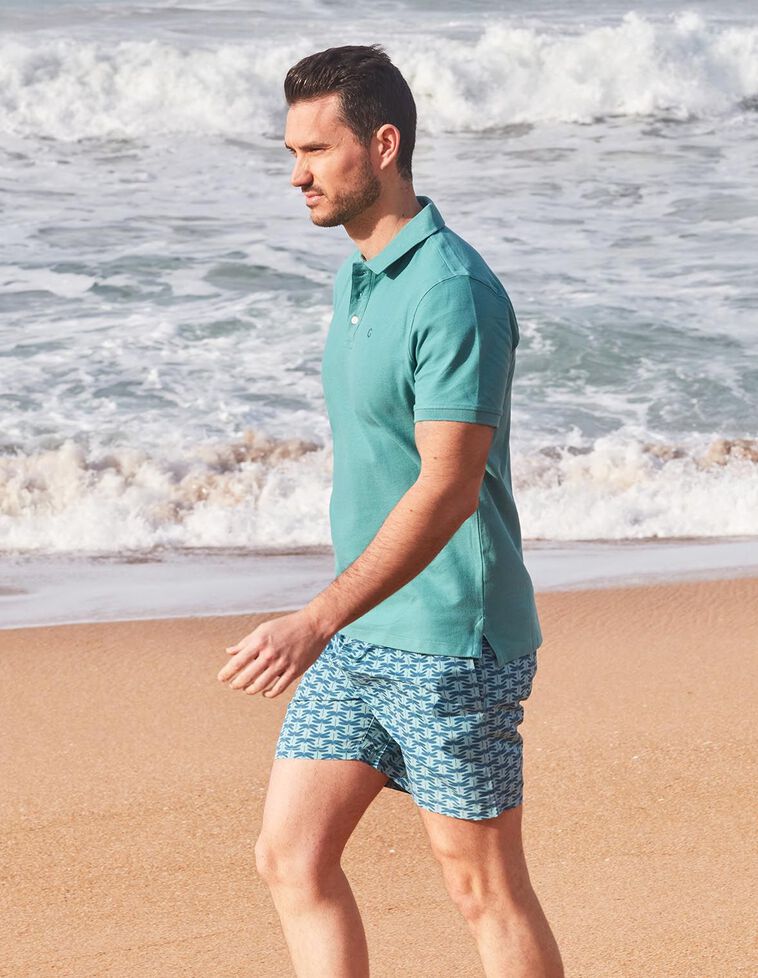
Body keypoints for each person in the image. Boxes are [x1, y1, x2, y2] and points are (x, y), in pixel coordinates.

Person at [217, 44, 564, 978]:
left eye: (316, 151)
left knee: (482, 888)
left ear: (382, 145)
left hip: (451, 642)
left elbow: (449, 487)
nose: (297, 175)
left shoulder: (452, 292)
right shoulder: (360, 276)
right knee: (291, 856)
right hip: (361, 630)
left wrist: (313, 619)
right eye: (291, 153)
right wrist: (335, 620)